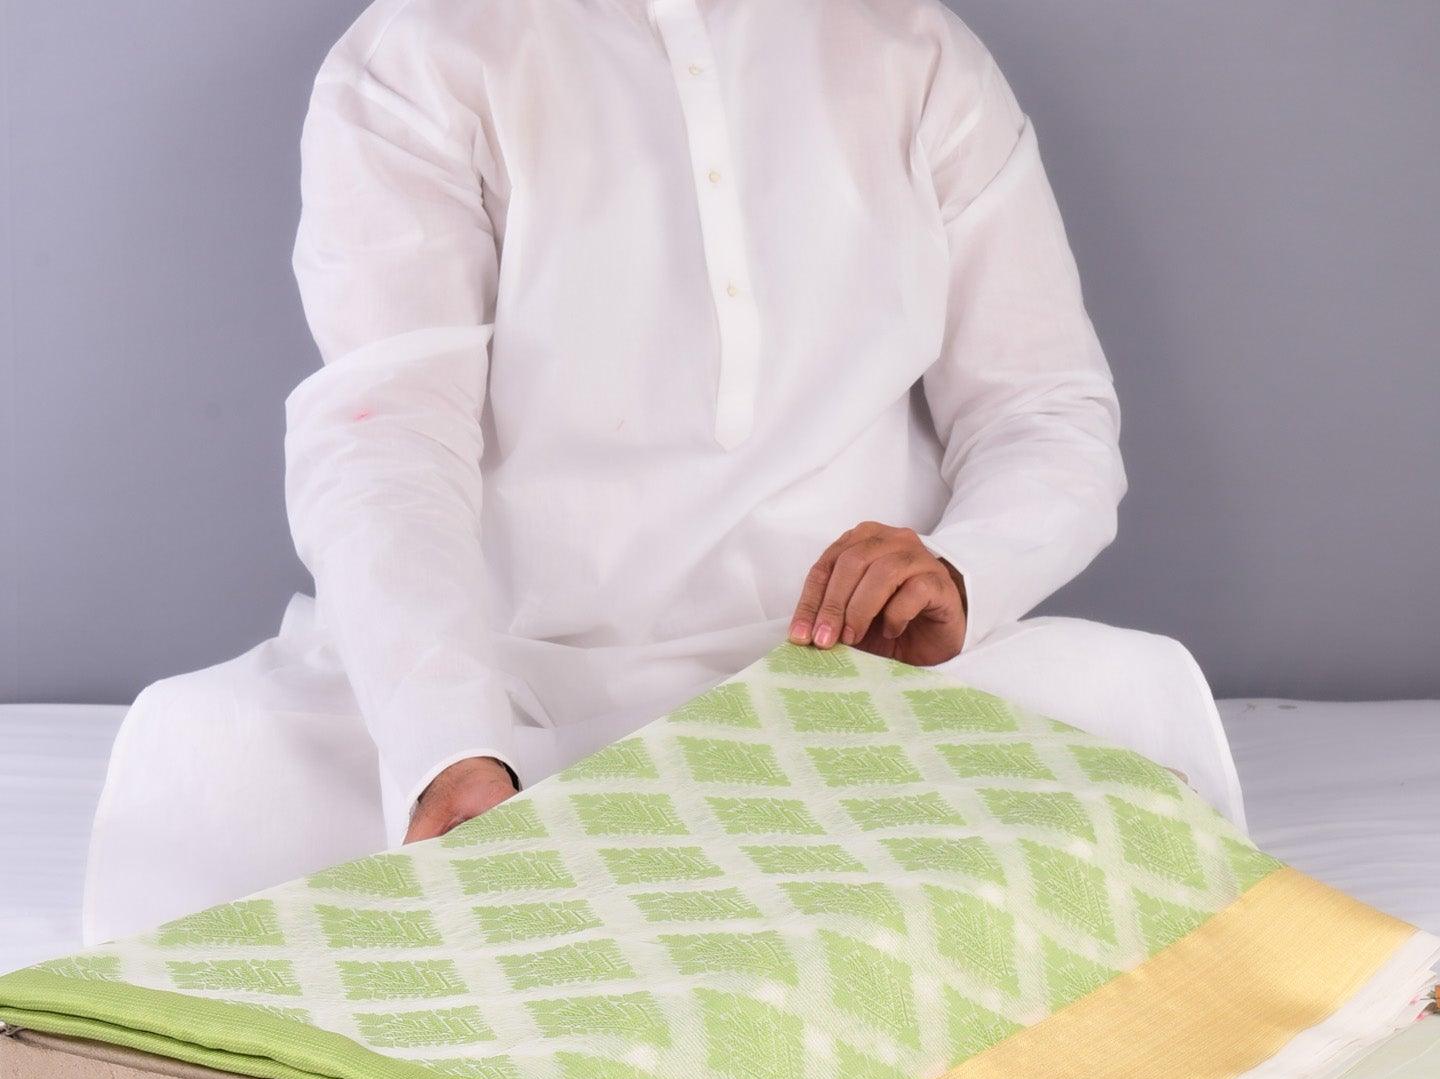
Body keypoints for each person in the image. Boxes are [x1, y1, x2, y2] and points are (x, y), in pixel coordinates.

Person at [83, 0, 1243, 944]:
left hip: (856, 693)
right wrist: (453, 746)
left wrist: (962, 573)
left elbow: (1046, 410)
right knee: (215, 768)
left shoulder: (915, 50)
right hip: (526, 696)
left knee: (1129, 711)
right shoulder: (424, 52)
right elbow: (386, 435)